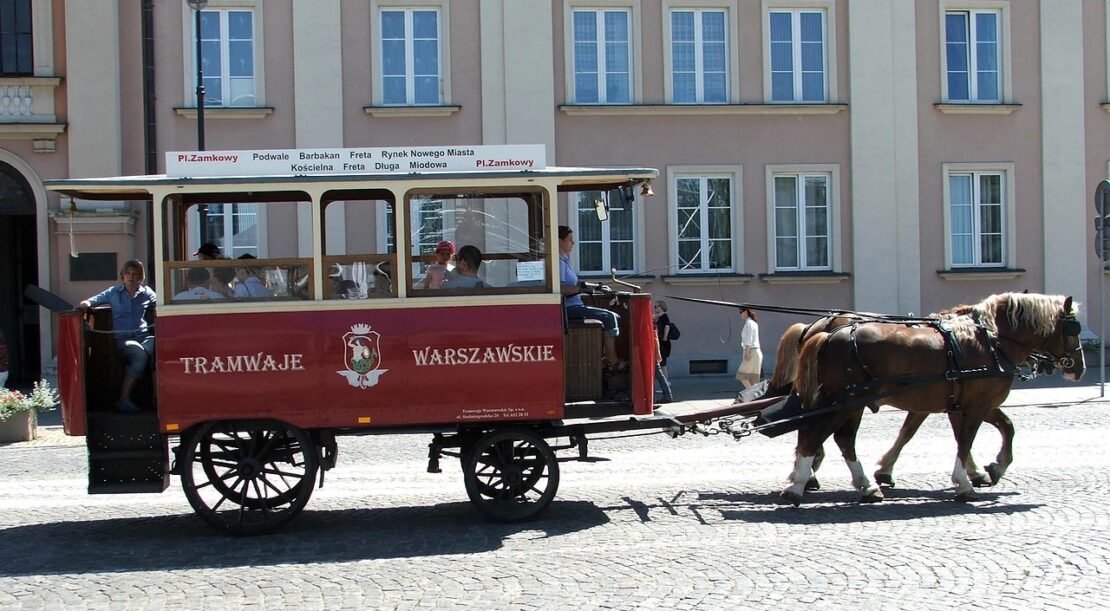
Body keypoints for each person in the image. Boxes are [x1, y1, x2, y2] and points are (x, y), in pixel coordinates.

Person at [76, 260, 156, 413]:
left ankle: (156, 399)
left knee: (157, 351)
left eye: (135, 274)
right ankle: (123, 399)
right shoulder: (113, 292)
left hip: (143, 336)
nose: (131, 277)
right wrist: (84, 304)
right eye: (128, 273)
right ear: (123, 275)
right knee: (139, 355)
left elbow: (160, 302)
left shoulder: (146, 292)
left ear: (140, 277)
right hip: (124, 339)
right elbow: (93, 300)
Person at [558, 226, 623, 370]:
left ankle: (605, 357)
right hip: (569, 308)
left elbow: (574, 284)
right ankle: (611, 360)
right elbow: (560, 289)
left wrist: (595, 286)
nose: (573, 243)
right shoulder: (558, 263)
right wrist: (581, 289)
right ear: (559, 241)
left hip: (575, 305)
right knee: (608, 317)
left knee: (615, 316)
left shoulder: (565, 261)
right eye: (570, 240)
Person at [737, 307, 763, 389]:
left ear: (745, 312)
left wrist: (747, 352)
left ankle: (751, 394)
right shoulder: (754, 323)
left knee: (742, 376)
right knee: (753, 380)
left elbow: (749, 338)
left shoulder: (749, 323)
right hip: (757, 352)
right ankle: (754, 397)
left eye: (740, 312)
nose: (740, 314)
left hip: (751, 351)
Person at [654, 300, 674, 379]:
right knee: (660, 363)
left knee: (663, 364)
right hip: (659, 342)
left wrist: (665, 337)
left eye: (656, 306)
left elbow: (667, 326)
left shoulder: (663, 316)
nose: (655, 308)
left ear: (661, 307)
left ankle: (666, 382)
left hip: (663, 343)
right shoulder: (658, 317)